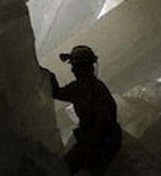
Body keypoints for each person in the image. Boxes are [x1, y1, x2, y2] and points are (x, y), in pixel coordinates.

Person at [43, 45, 122, 175]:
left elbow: (105, 125)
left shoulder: (95, 90)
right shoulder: (81, 88)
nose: (73, 70)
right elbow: (57, 93)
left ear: (83, 68)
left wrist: (90, 147)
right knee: (65, 167)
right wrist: (48, 76)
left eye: (75, 66)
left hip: (104, 142)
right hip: (94, 141)